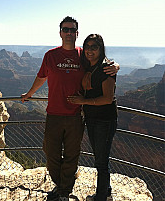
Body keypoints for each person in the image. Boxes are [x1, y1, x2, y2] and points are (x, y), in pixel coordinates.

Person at [21, 17, 119, 201]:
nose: (68, 33)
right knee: (51, 152)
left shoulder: (83, 54)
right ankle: (60, 184)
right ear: (60, 33)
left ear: (76, 33)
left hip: (76, 116)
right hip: (53, 114)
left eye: (72, 30)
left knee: (72, 155)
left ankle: (65, 191)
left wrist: (115, 66)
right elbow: (42, 77)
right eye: (65, 29)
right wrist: (29, 93)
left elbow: (101, 62)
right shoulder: (50, 55)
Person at [67, 34, 117, 201]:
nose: (89, 50)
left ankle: (101, 197)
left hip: (105, 119)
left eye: (94, 47)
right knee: (100, 156)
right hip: (92, 118)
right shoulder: (87, 65)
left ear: (101, 49)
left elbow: (108, 98)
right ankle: (106, 190)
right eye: (87, 46)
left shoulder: (106, 69)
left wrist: (83, 101)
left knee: (101, 160)